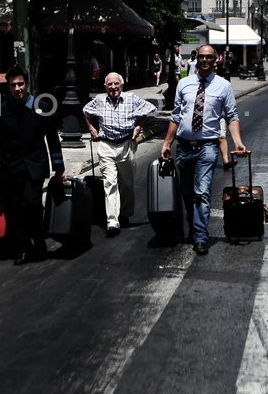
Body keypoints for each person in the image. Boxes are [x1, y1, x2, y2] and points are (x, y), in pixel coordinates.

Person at [161, 44, 248, 255]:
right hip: (183, 147)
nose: (205, 60)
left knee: (202, 192)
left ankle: (200, 236)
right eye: (202, 57)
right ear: (196, 58)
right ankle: (194, 226)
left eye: (209, 57)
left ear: (215, 59)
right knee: (187, 193)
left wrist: (237, 141)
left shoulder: (224, 86)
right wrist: (167, 143)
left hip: (207, 147)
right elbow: (176, 117)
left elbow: (232, 116)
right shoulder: (184, 84)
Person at [0, 65, 66, 265]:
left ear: (27, 83)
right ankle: (22, 248)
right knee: (14, 209)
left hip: (35, 166)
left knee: (31, 204)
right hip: (11, 169)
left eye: (20, 84)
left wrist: (59, 167)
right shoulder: (3, 110)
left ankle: (39, 241)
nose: (17, 88)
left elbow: (52, 139)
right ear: (8, 87)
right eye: (13, 85)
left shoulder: (40, 107)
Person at [83, 72, 157, 237]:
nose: (113, 87)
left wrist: (139, 126)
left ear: (121, 86)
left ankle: (124, 214)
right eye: (109, 84)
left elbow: (152, 110)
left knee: (127, 184)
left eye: (116, 84)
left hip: (126, 146)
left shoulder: (131, 99)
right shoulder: (100, 100)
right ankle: (112, 222)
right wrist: (91, 128)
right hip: (106, 145)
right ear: (105, 87)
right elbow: (85, 110)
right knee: (110, 183)